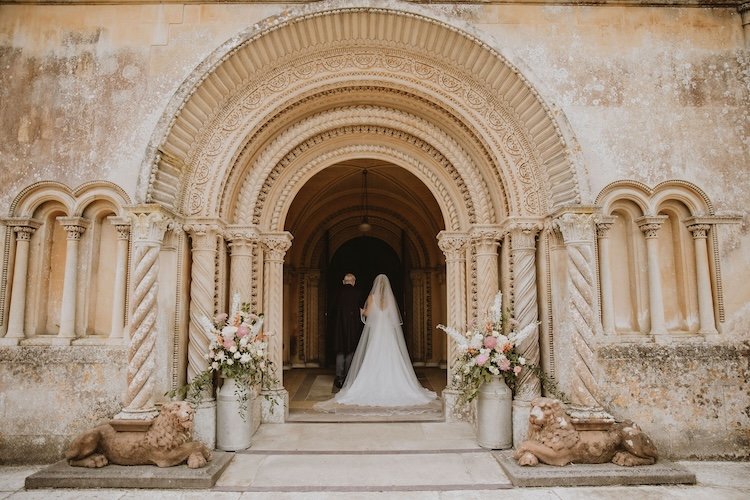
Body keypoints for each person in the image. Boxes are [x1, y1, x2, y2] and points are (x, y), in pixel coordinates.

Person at [334, 274, 436, 407]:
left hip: (376, 331)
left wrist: (361, 311)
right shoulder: (390, 299)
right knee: (392, 357)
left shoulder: (372, 297)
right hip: (388, 332)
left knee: (373, 355)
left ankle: (365, 382)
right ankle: (395, 383)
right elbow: (394, 317)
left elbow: (368, 314)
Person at [332, 273, 365, 389]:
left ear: (343, 282)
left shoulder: (337, 292)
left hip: (339, 327)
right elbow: (362, 311)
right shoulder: (358, 293)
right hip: (353, 327)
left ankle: (339, 378)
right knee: (350, 351)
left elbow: (333, 309)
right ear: (354, 282)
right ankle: (348, 378)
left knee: (340, 351)